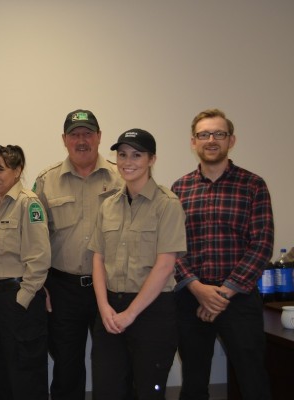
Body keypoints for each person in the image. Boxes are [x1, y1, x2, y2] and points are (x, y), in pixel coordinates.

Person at [171, 108, 274, 400]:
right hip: (190, 297)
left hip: (239, 298)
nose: (211, 140)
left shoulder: (253, 185)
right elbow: (172, 246)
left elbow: (262, 244)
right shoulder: (179, 189)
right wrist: (197, 288)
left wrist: (222, 294)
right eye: (204, 134)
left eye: (219, 133)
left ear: (232, 140)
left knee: (252, 379)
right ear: (194, 142)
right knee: (193, 382)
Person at [88, 129, 187, 399]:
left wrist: (130, 314)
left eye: (136, 154)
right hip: (110, 310)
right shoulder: (107, 205)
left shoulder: (167, 205)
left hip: (151, 312)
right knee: (107, 391)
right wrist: (104, 307)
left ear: (152, 159)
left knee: (147, 392)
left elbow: (165, 265)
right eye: (122, 154)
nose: (127, 161)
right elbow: (98, 258)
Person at [33, 109, 121, 400]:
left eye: (87, 133)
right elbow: (35, 237)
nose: (81, 140)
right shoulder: (46, 181)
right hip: (63, 289)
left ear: (98, 137)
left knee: (112, 365)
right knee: (67, 366)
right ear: (64, 139)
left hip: (111, 288)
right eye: (74, 134)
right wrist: (40, 284)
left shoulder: (122, 178)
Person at [0, 144, 51, 400]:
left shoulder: (28, 204)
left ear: (18, 171)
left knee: (25, 372)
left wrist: (22, 299)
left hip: (17, 297)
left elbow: (40, 258)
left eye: (0, 169)